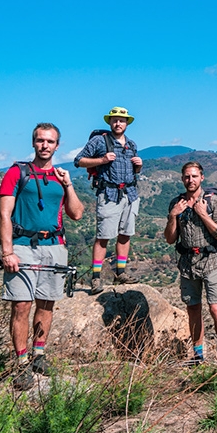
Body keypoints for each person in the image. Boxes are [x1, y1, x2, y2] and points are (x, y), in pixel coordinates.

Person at [0, 122, 84, 391]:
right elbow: (3, 213)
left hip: (54, 245)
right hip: (23, 244)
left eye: (50, 141)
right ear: (33, 143)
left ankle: (39, 355)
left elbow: (77, 213)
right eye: (40, 141)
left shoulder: (60, 177)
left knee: (46, 304)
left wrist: (68, 185)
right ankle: (22, 364)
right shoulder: (16, 172)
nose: (44, 145)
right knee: (21, 305)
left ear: (58, 145)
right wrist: (7, 251)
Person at [164, 161, 217, 365]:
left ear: (202, 177)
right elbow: (170, 238)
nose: (190, 180)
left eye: (194, 176)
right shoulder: (176, 204)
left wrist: (203, 214)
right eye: (187, 176)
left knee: (216, 309)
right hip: (187, 262)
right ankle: (197, 355)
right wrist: (172, 216)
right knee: (193, 308)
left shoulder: (213, 202)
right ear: (182, 178)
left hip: (211, 260)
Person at [74, 106, 143, 293]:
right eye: (115, 119)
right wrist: (102, 160)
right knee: (103, 236)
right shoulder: (99, 141)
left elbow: (132, 172)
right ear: (109, 121)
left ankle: (120, 272)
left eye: (122, 120)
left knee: (125, 234)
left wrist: (138, 167)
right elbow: (78, 161)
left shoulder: (132, 145)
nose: (118, 123)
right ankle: (95, 278)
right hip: (109, 194)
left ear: (127, 123)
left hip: (129, 194)